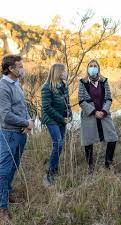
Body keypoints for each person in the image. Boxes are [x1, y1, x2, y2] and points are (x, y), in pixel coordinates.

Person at [0, 55, 33, 222]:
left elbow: (23, 105)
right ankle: (2, 208)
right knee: (4, 171)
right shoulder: (3, 86)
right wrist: (24, 122)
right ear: (11, 69)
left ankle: (7, 194)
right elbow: (5, 115)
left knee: (14, 166)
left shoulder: (16, 84)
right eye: (20, 66)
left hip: (21, 132)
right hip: (9, 134)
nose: (23, 68)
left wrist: (29, 121)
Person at [78, 59, 118, 174]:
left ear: (98, 68)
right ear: (87, 68)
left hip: (104, 114)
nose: (93, 67)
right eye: (91, 66)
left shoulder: (104, 81)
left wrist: (104, 111)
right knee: (88, 141)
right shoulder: (83, 82)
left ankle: (108, 162)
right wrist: (94, 112)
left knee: (112, 137)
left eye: (95, 66)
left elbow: (109, 98)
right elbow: (81, 100)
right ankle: (90, 166)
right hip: (90, 115)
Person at [41, 63, 72, 186]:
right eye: (64, 71)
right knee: (57, 143)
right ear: (58, 72)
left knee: (60, 145)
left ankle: (54, 168)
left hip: (61, 119)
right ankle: (50, 172)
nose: (66, 73)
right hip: (51, 119)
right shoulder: (46, 87)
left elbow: (67, 102)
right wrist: (61, 118)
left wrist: (69, 113)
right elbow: (47, 107)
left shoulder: (64, 85)